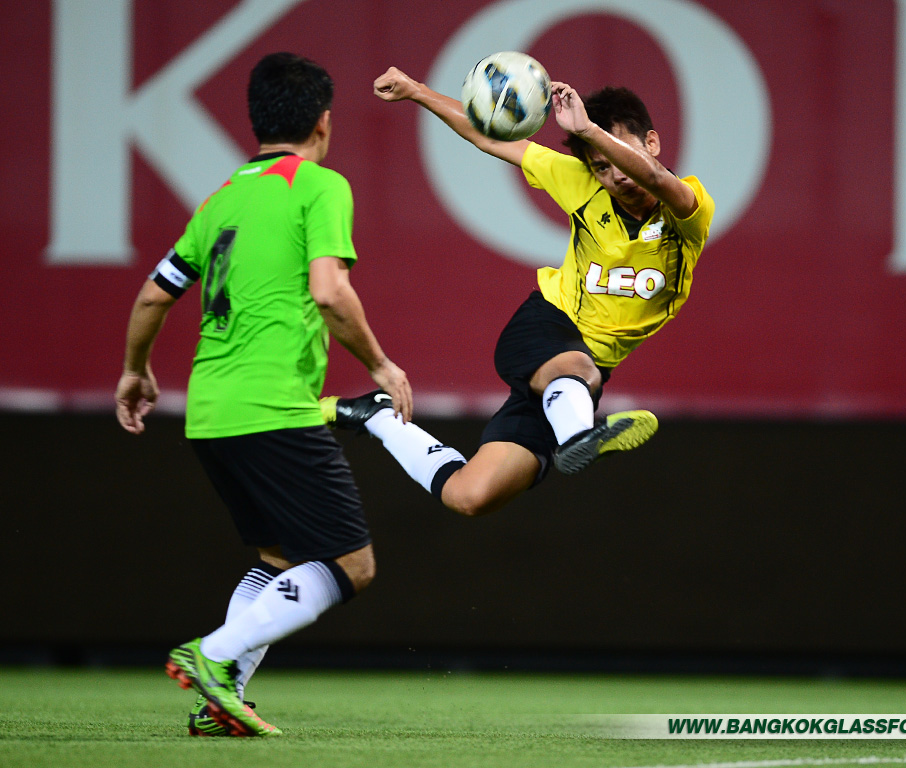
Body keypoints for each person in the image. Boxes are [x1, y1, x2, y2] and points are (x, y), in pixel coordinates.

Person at [115, 52, 412, 738]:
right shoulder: (319, 186)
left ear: (256, 120)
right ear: (324, 121)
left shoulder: (221, 198)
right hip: (273, 408)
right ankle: (213, 655)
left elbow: (153, 294)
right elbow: (330, 292)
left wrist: (135, 370)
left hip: (209, 414)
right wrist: (379, 364)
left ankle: (220, 700)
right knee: (352, 565)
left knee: (279, 560)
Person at [319, 66, 714, 517]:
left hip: (575, 385)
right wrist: (417, 91)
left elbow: (659, 181)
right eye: (601, 166)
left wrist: (589, 131)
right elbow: (489, 139)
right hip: (546, 329)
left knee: (470, 496)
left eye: (621, 153)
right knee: (578, 372)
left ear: (652, 143)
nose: (615, 174)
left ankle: (379, 417)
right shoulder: (580, 183)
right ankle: (578, 435)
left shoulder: (689, 208)